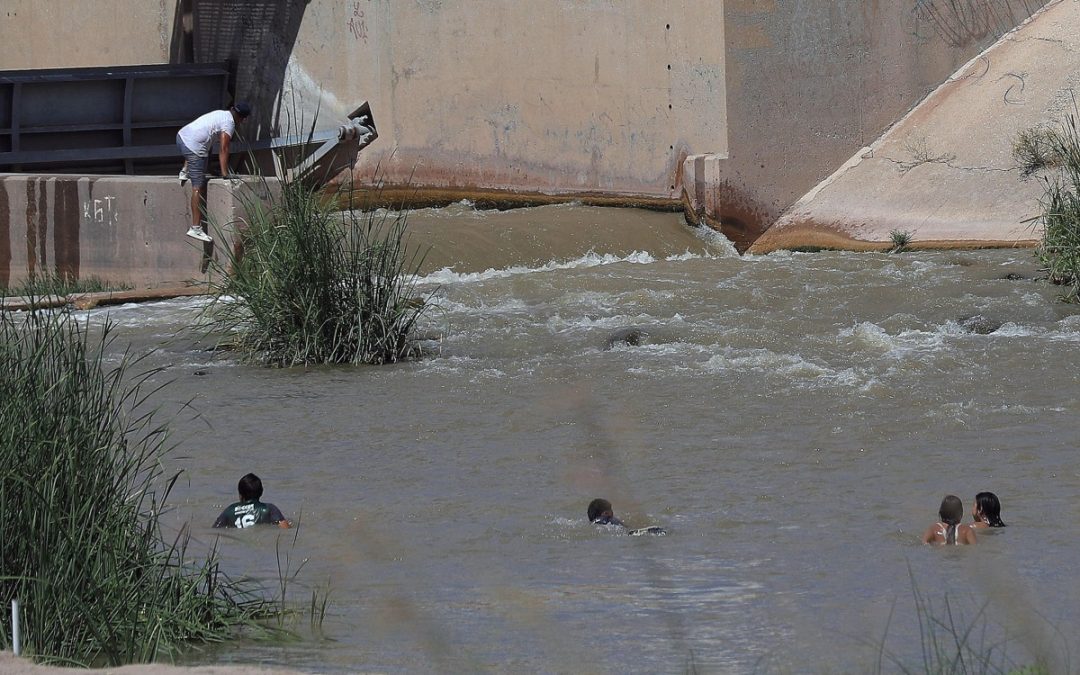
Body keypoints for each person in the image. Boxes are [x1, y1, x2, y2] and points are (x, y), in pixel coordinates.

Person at [176, 102, 251, 243]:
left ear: (232, 109)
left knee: (206, 144)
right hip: (193, 147)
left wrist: (210, 169)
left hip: (181, 137)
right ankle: (196, 228)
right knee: (198, 186)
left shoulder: (221, 114)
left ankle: (184, 171)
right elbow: (224, 148)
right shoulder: (229, 124)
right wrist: (225, 174)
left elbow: (208, 141)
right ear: (243, 119)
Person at [213, 473, 290, 529]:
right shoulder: (269, 508)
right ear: (261, 492)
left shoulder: (229, 510)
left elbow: (215, 531)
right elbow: (285, 529)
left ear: (240, 495)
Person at [587, 498, 665, 536]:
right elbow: (626, 530)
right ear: (606, 513)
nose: (613, 513)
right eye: (611, 510)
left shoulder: (594, 523)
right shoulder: (608, 519)